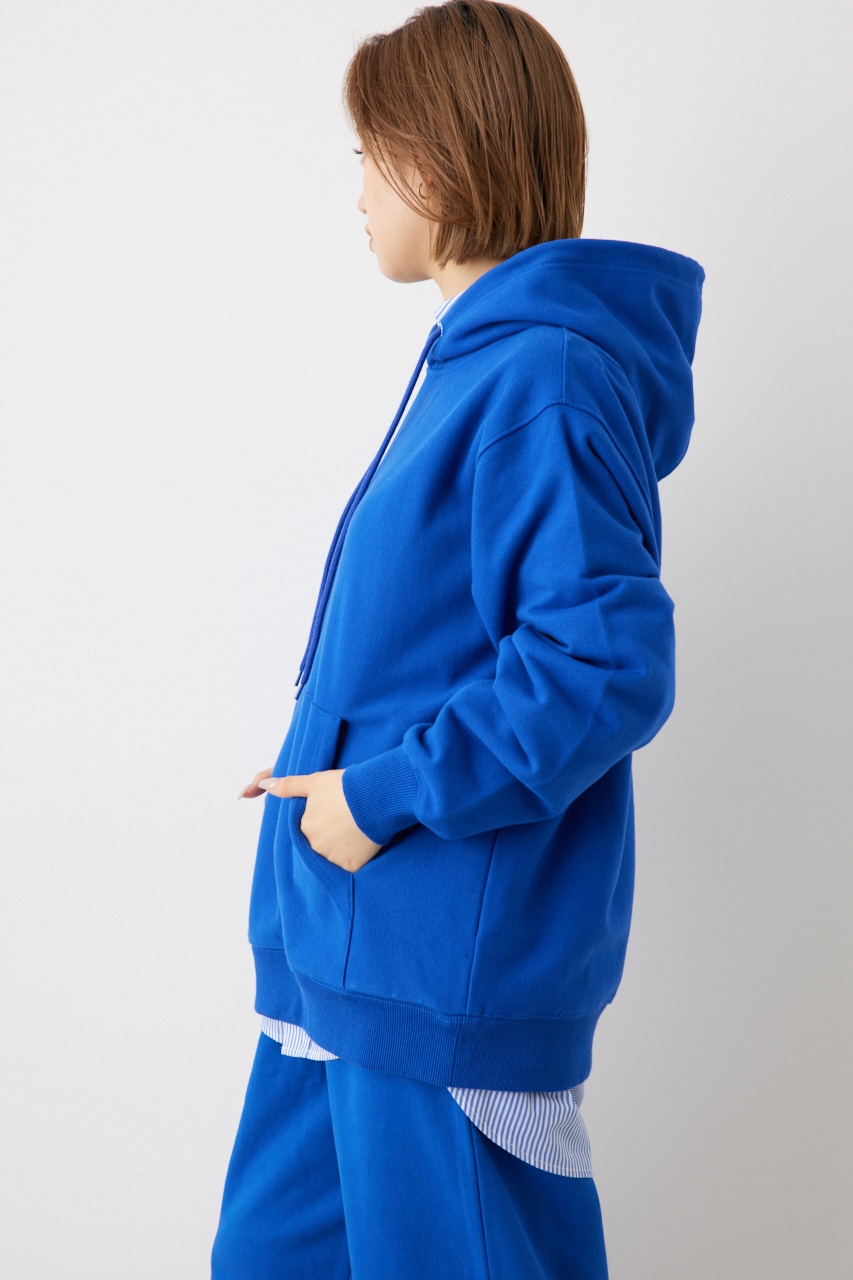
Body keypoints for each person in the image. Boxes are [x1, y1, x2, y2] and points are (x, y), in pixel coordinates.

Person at [211, 2, 704, 1277]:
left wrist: (380, 793)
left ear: (441, 160)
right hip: (340, 963)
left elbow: (600, 665)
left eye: (371, 155)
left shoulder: (543, 375)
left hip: (439, 982)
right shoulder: (472, 367)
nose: (359, 189)